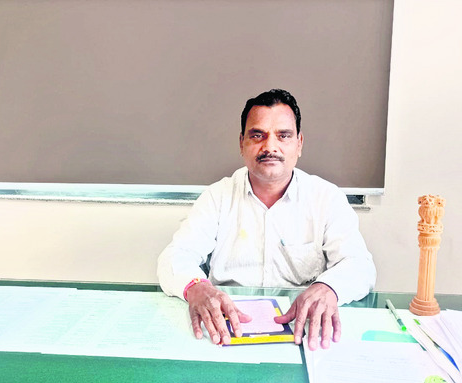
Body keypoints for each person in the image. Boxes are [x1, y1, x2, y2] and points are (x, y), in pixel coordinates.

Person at [157, 89, 376, 351]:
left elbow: (360, 266)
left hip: (301, 331)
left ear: (299, 144)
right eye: (257, 135)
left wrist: (328, 287)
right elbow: (175, 256)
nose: (270, 147)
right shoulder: (218, 196)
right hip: (225, 330)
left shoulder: (326, 198)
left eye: (283, 136)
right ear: (242, 143)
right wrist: (196, 287)